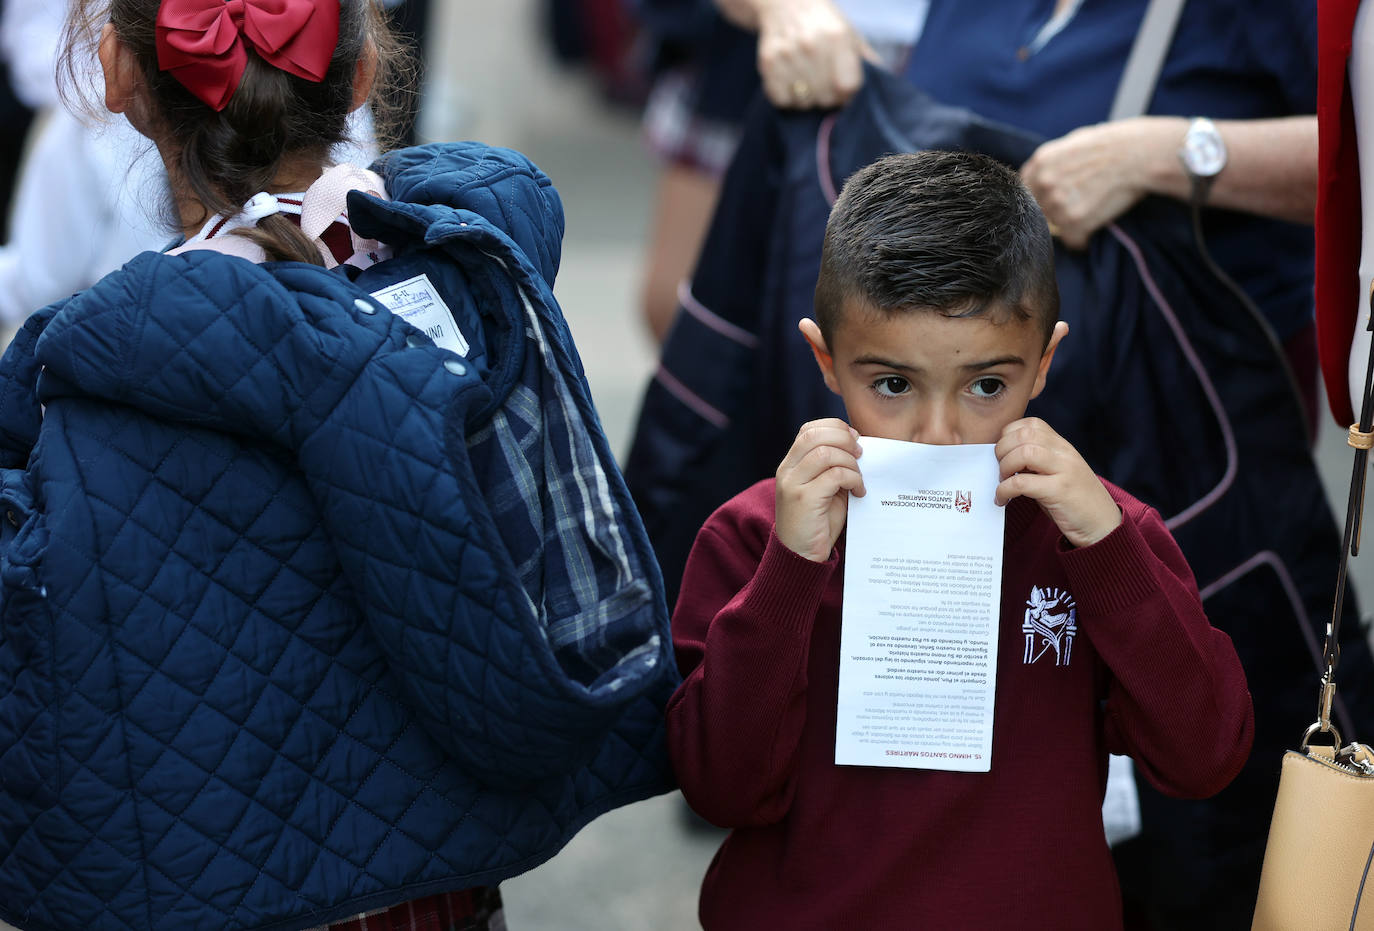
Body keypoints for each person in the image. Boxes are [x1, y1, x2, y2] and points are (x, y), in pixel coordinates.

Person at [0, 2, 677, 930]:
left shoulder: (98, 393)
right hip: (443, 892)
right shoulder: (479, 289)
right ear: (361, 76)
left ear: (117, 77)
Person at [666, 150, 1254, 929]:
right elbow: (721, 786)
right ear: (826, 360)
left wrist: (1110, 550)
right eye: (893, 385)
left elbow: (1202, 755)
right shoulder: (757, 535)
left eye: (986, 387)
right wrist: (790, 571)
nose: (940, 433)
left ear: (1043, 363)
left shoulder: (1098, 534)